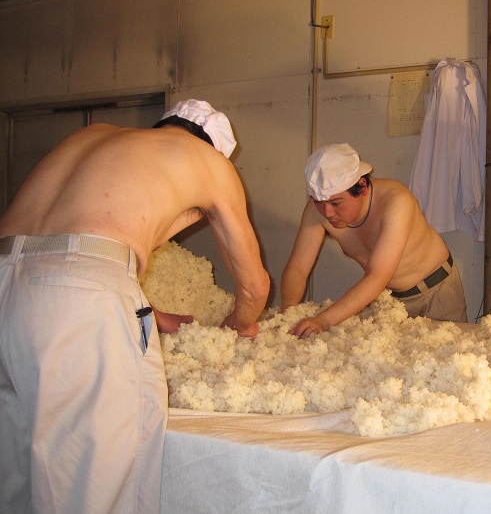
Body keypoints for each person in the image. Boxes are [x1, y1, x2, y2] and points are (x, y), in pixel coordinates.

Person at [0, 99, 270, 513]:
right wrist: (239, 326)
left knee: (12, 466)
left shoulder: (93, 136)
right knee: (89, 477)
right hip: (76, 294)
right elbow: (253, 286)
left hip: (7, 281)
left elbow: (64, 245)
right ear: (216, 148)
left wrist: (147, 312)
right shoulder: (211, 164)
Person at [281, 143, 467, 337]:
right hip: (389, 300)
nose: (327, 212)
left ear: (362, 187)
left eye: (336, 203)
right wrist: (289, 312)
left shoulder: (396, 202)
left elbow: (377, 276)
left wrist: (324, 320)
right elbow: (298, 268)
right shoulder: (316, 212)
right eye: (319, 202)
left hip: (434, 293)